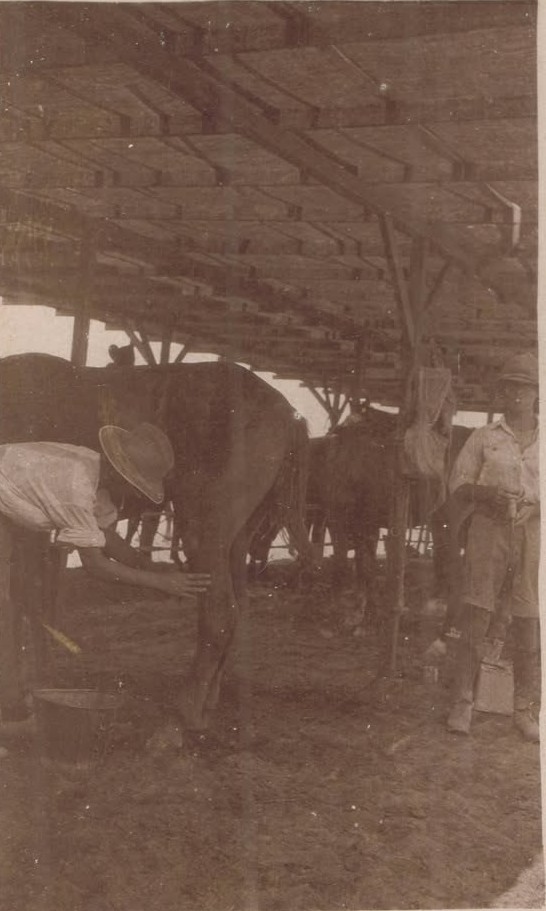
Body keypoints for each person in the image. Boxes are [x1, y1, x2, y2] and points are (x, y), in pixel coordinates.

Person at [0, 422, 210, 726]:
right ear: (121, 474)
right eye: (135, 484)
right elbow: (95, 564)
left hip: (8, 504)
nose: (134, 493)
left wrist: (149, 566)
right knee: (3, 609)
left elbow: (105, 535)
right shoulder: (77, 489)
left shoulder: (93, 470)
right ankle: (9, 709)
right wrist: (160, 582)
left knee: (11, 605)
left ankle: (11, 697)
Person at [446, 352, 540, 740]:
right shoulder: (485, 437)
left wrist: (534, 505)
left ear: (537, 393)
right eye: (510, 388)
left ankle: (525, 709)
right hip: (488, 529)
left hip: (532, 533)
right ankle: (462, 703)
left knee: (529, 619)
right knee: (476, 614)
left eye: (524, 389)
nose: (516, 395)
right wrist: (489, 494)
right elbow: (457, 484)